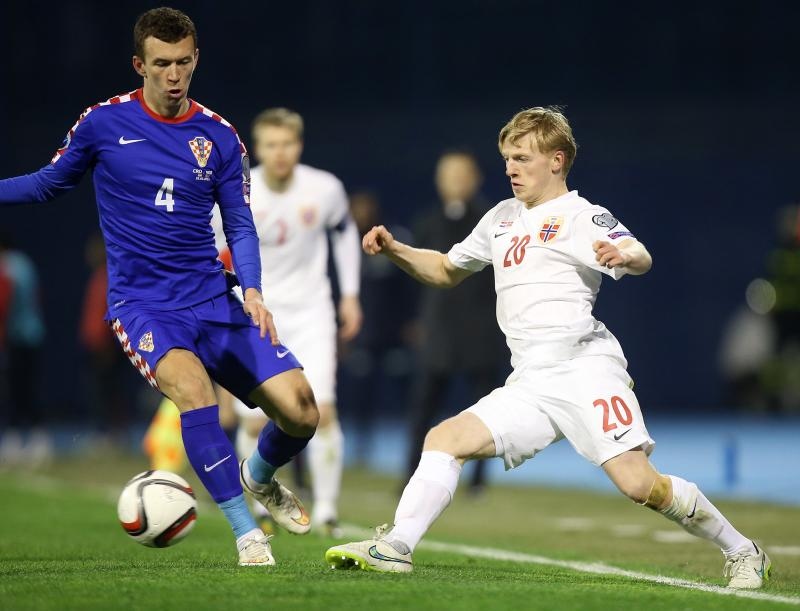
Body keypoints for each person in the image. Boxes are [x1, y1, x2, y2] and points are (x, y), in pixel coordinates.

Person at [325, 106, 771, 590]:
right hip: (530, 381)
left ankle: (742, 549)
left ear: (557, 160)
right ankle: (397, 547)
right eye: (507, 159)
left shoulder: (582, 215)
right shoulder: (500, 217)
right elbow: (445, 270)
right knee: (443, 439)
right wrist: (396, 249)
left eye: (522, 158)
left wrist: (623, 254)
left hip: (584, 368)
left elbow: (640, 254)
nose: (511, 168)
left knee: (640, 484)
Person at [0, 7, 318, 567]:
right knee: (195, 396)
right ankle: (248, 535)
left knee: (302, 412)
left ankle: (260, 475)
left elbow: (240, 222)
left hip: (213, 299)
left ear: (196, 60)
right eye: (162, 64)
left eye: (183, 63)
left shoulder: (218, 135)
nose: (174, 75)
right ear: (139, 65)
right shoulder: (102, 123)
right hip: (144, 306)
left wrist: (253, 291)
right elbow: (49, 185)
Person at [211, 107, 363, 535]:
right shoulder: (240, 190)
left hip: (313, 311)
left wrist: (349, 295)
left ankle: (329, 510)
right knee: (256, 418)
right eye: (271, 145)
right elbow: (212, 247)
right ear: (258, 149)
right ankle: (261, 503)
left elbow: (344, 233)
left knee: (324, 411)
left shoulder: (324, 188)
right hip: (256, 313)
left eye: (288, 144)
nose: (281, 153)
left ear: (299, 145)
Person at [404, 151, 506, 494]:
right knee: (423, 409)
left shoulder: (494, 220)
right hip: (439, 331)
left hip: (481, 329)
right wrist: (416, 321)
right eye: (448, 175)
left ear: (475, 178)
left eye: (462, 175)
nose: (455, 182)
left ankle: (478, 483)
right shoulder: (428, 222)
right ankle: (410, 475)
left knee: (486, 409)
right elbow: (417, 274)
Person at [0, 231, 49, 466]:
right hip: (33, 331)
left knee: (16, 388)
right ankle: (35, 438)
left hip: (17, 334)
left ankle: (17, 439)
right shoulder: (25, 264)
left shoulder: (8, 266)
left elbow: (7, 302)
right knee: (28, 387)